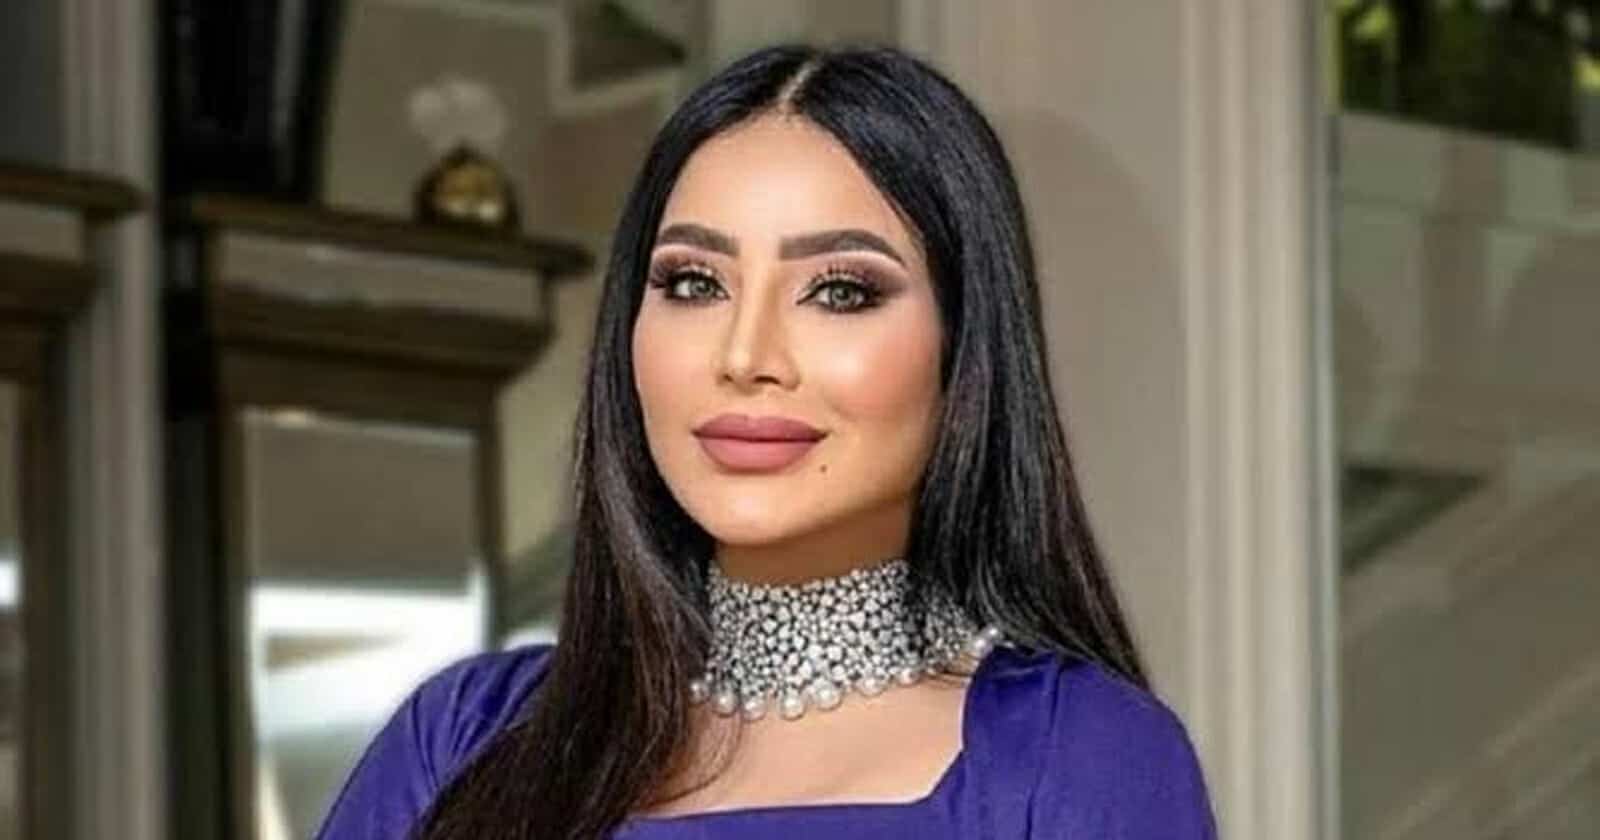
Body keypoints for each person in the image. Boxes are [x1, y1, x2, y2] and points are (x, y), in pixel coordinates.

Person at [316, 43, 1218, 840]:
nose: (745, 356)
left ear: (965, 350)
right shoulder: (464, 740)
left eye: (840, 292)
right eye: (694, 283)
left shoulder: (1078, 758)